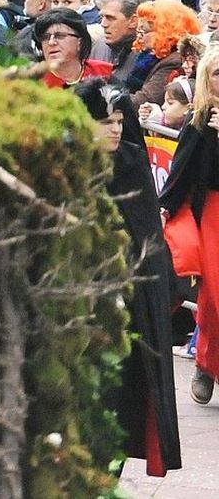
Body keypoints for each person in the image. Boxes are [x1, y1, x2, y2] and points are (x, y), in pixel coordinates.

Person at [73, 78, 180, 476]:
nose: (115, 129)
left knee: (121, 397)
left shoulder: (133, 163)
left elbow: (149, 233)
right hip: (77, 302)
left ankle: (108, 476)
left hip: (127, 304)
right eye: (105, 121)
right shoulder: (66, 165)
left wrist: (159, 289)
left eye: (119, 120)